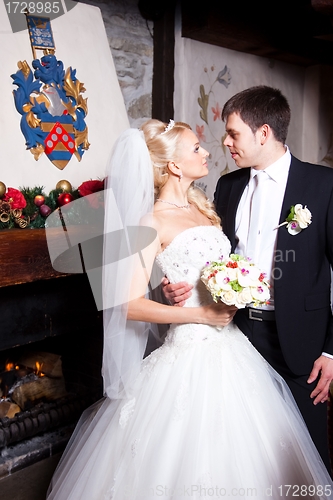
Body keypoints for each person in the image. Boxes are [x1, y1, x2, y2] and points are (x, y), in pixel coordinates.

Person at [46, 118, 333, 499]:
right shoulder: (150, 221)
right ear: (175, 166)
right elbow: (128, 305)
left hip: (234, 347)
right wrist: (196, 313)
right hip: (188, 350)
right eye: (196, 148)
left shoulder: (207, 208)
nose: (208, 151)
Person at [162, 86, 333, 472]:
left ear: (264, 133)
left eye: (233, 133)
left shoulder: (324, 186)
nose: (225, 142)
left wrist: (332, 351)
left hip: (300, 343)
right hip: (233, 336)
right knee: (241, 455)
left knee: (303, 457)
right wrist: (177, 286)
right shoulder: (229, 185)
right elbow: (211, 256)